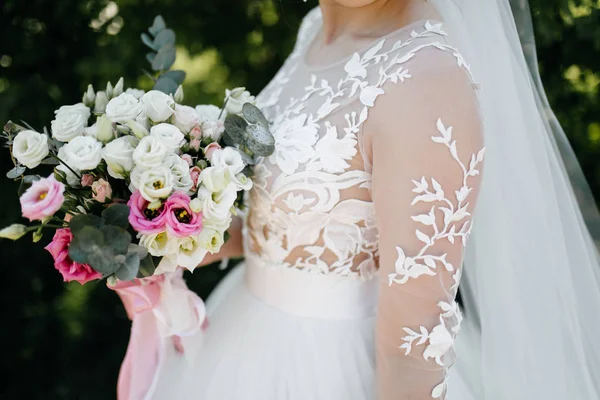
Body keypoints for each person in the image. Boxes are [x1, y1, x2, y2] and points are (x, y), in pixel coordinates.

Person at [114, 1, 600, 399]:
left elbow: (412, 349)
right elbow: (312, 223)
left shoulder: (424, 78)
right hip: (243, 326)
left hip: (333, 369)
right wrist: (175, 239)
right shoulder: (316, 29)